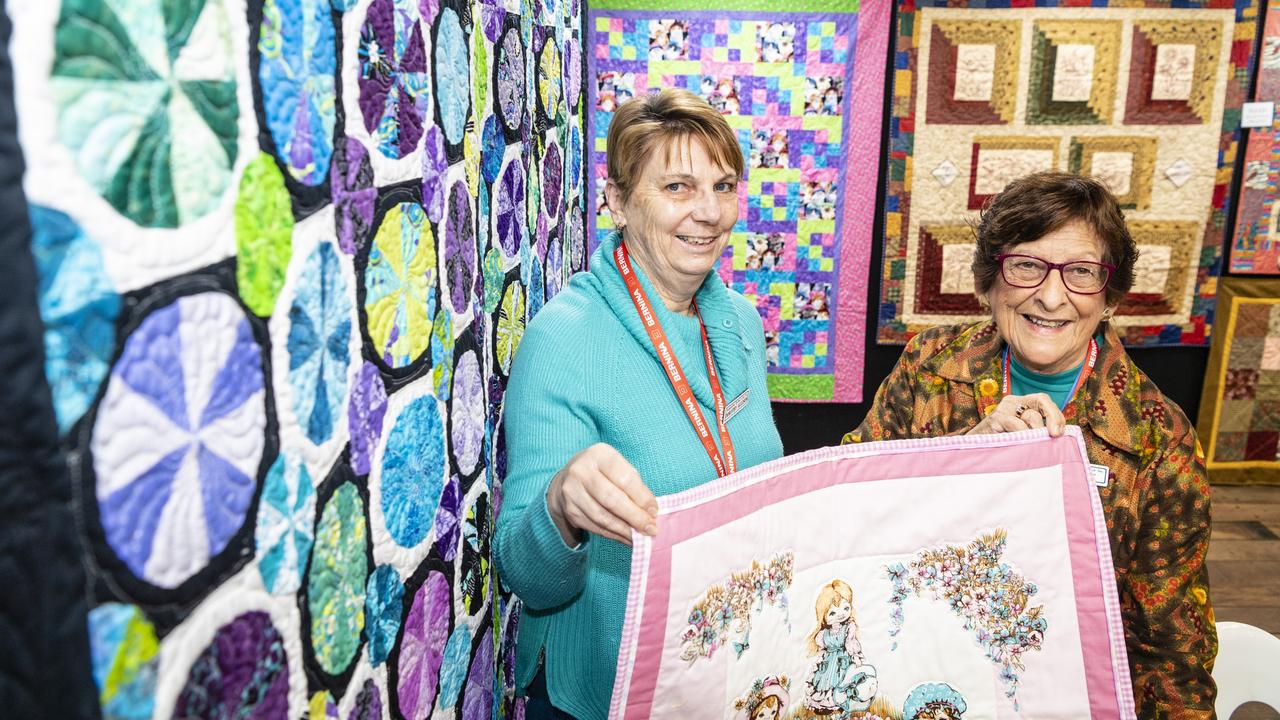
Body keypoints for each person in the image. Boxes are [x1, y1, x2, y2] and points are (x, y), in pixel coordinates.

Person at [844, 172, 1216, 718]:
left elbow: (1170, 647)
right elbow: (849, 508)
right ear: (990, 282)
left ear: (1110, 297)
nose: (1049, 295)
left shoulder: (1158, 441)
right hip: (912, 667)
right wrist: (963, 454)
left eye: (1081, 273)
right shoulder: (930, 366)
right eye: (1026, 266)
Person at [494, 88, 784, 720]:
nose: (710, 212)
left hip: (726, 670)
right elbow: (525, 574)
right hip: (608, 688)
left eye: (724, 185)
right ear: (618, 202)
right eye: (678, 187)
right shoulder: (563, 337)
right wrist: (561, 509)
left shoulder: (738, 320)